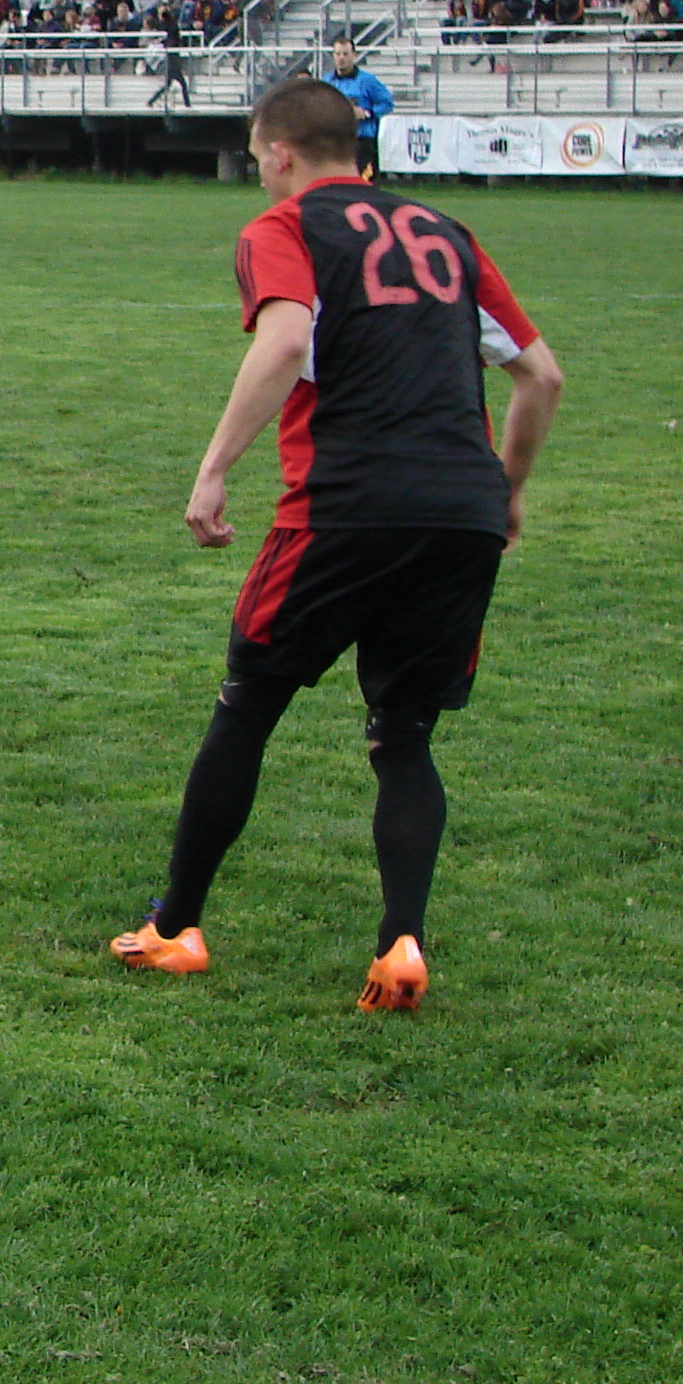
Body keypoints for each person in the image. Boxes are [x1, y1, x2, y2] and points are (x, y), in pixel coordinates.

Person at [111, 76, 562, 1011]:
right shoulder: (446, 233)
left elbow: (284, 343)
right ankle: (401, 945)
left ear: (278, 152)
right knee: (404, 736)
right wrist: (508, 491)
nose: (257, 172)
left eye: (255, 156)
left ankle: (175, 928)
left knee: (248, 704)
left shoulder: (284, 228)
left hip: (345, 506)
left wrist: (213, 469)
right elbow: (541, 377)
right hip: (463, 512)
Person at [320, 34, 395, 176]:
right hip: (335, 141)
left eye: (345, 54)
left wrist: (367, 113)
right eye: (338, 54)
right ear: (333, 56)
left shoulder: (367, 80)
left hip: (361, 141)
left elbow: (387, 103)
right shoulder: (327, 81)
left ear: (354, 56)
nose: (341, 58)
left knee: (362, 184)